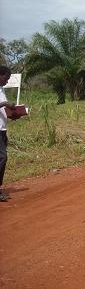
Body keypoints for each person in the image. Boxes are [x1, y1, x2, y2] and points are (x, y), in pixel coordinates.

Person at [0, 66, 18, 202]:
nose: (7, 81)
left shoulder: (1, 90)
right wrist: (5, 103)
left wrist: (13, 115)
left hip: (2, 129)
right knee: (2, 157)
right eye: (6, 78)